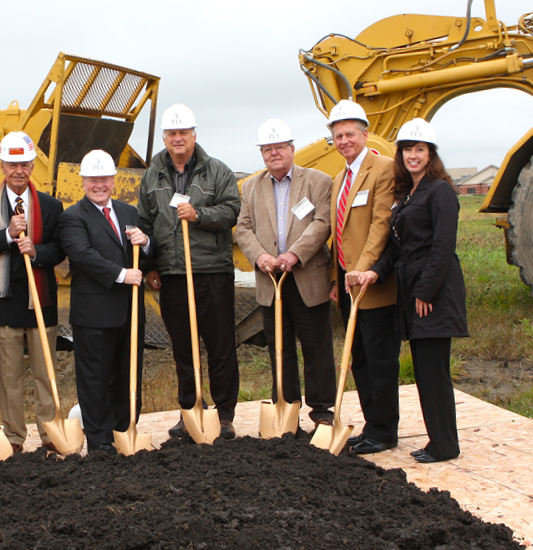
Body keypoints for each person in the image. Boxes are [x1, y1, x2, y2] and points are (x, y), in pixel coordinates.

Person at [347, 118, 467, 463]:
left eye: (420, 150)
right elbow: (397, 249)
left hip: (433, 293)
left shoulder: (440, 191)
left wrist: (426, 294)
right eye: (407, 150)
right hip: (412, 288)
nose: (413, 155)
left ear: (431, 155)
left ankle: (445, 445)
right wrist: (373, 272)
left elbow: (443, 248)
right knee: (424, 370)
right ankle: (437, 441)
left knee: (433, 371)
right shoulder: (408, 193)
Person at [137, 103, 240, 440]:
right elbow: (145, 222)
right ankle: (190, 410)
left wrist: (199, 215)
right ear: (165, 138)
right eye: (172, 133)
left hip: (212, 272)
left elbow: (231, 211)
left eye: (183, 133)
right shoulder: (152, 176)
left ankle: (224, 415)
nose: (177, 138)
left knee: (220, 345)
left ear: (194, 135)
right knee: (183, 347)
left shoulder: (217, 171)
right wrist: (151, 266)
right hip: (173, 274)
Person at [235, 119, 336, 431]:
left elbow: (322, 222)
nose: (273, 154)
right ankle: (286, 405)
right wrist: (261, 256)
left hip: (307, 277)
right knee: (280, 347)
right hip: (271, 280)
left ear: (292, 149)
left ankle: (321, 409)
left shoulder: (318, 181)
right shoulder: (251, 186)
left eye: (279, 147)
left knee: (316, 347)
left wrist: (295, 254)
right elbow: (243, 228)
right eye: (267, 149)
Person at [0, 131, 65, 454]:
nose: (18, 170)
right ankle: (14, 436)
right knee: (9, 377)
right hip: (3, 302)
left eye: (24, 163)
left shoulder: (51, 206)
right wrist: (7, 237)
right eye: (12, 164)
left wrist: (36, 251)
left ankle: (51, 431)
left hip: (41, 302)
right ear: (1, 166)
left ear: (33, 165)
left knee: (45, 373)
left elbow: (60, 250)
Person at [59, 150, 150, 454]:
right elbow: (83, 256)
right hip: (94, 312)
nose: (99, 184)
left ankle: (123, 430)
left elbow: (143, 253)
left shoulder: (129, 213)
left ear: (114, 180)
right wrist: (123, 275)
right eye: (93, 179)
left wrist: (145, 243)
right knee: (94, 378)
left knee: (126, 374)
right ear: (83, 182)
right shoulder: (72, 217)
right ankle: (99, 440)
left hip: (128, 311)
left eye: (104, 179)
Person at [326, 100, 401, 454]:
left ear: (365, 134)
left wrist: (363, 267)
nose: (344, 140)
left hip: (372, 283)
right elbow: (337, 232)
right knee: (360, 357)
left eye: (350, 133)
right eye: (338, 135)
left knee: (380, 358)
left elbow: (380, 223)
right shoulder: (340, 177)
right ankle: (372, 424)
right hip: (347, 283)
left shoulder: (384, 168)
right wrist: (335, 278)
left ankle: (385, 430)